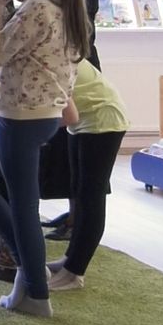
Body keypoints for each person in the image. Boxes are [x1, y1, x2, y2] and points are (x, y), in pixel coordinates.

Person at [0, 0, 89, 318]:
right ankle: (32, 270)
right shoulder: (63, 8)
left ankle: (36, 292)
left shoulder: (37, 9)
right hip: (37, 116)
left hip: (22, 117)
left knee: (23, 206)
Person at [40, 0, 102, 241]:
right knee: (64, 149)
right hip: (63, 66)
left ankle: (78, 219)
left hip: (79, 67)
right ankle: (71, 212)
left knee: (78, 146)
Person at [48, 59, 129, 292]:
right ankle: (71, 259)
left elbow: (64, 115)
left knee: (90, 196)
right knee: (78, 192)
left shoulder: (49, 55)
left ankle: (75, 272)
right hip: (83, 121)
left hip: (103, 120)